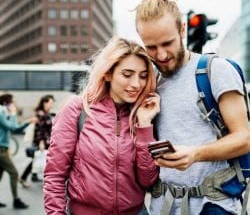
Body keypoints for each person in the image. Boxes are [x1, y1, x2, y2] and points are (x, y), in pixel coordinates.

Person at [134, 0, 250, 215]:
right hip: (163, 207)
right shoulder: (148, 82)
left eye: (167, 43)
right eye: (151, 47)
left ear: (183, 30)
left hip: (213, 206)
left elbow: (244, 138)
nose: (161, 55)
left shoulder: (216, 70)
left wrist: (195, 153)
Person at [44, 37, 160, 215]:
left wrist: (144, 125)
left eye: (143, 76)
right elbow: (54, 176)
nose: (136, 84)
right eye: (127, 74)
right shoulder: (77, 109)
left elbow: (148, 181)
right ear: (107, 74)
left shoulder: (143, 114)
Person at [0, 93, 37, 209]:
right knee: (14, 173)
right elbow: (14, 128)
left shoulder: (4, 112)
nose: (15, 104)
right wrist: (15, 115)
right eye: (13, 102)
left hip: (3, 149)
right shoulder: (1, 112)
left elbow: (13, 126)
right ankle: (16, 200)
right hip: (0, 150)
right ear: (7, 102)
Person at [20, 94, 55, 186]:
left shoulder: (46, 113)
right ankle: (23, 177)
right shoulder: (41, 114)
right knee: (38, 158)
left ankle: (31, 176)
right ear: (44, 103)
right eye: (50, 103)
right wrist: (41, 142)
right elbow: (40, 129)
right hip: (42, 141)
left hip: (46, 140)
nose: (51, 105)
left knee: (37, 158)